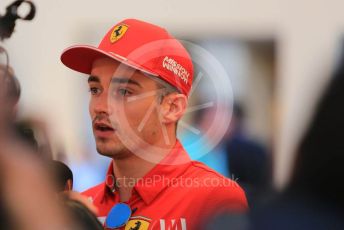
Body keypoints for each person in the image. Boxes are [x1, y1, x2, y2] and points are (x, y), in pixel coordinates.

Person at [61, 18, 247, 229]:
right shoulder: (81, 208)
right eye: (95, 90)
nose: (101, 107)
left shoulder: (214, 199)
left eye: (124, 92)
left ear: (172, 108)